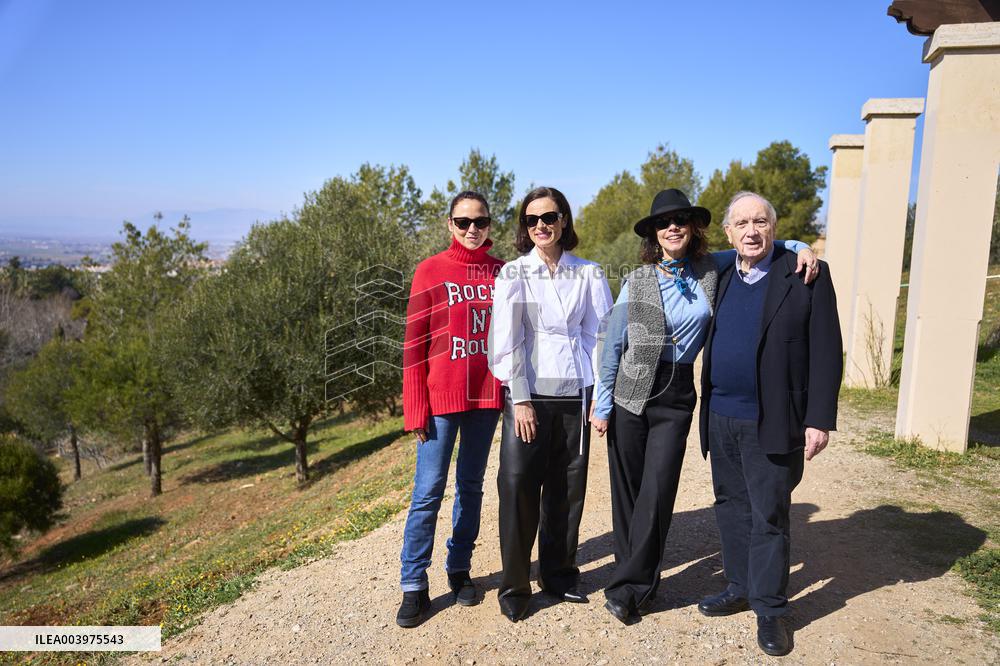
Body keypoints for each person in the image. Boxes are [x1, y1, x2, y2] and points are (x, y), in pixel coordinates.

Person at [590, 189, 818, 625]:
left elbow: (759, 242)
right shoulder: (637, 280)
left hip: (676, 394)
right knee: (628, 495)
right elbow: (613, 344)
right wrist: (602, 406)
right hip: (630, 391)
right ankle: (637, 584)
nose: (672, 227)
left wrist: (802, 245)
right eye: (663, 223)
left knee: (657, 492)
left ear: (693, 228)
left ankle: (629, 586)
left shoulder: (712, 267)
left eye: (680, 219)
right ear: (654, 235)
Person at [696, 191, 842, 657]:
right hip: (721, 415)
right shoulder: (720, 272)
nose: (751, 231)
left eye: (760, 222)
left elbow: (827, 351)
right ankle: (739, 585)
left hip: (774, 419)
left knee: (769, 515)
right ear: (728, 233)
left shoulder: (806, 273)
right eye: (742, 224)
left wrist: (818, 419)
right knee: (730, 505)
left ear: (774, 228)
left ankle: (771, 608)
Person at [487, 186, 613, 622]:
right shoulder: (515, 274)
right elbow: (508, 339)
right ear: (525, 227)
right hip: (529, 395)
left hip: (575, 395)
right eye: (531, 219)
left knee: (566, 491)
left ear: (564, 221)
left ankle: (558, 576)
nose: (540, 225)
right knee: (518, 487)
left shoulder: (589, 273)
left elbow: (599, 336)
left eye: (549, 217)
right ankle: (514, 586)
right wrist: (520, 399)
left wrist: (599, 396)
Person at [396, 191, 506, 628]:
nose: (472, 229)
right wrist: (414, 408)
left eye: (480, 221)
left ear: (489, 225)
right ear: (450, 225)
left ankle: (459, 569)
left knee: (471, 487)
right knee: (427, 492)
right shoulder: (430, 270)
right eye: (463, 222)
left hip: (485, 399)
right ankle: (413, 584)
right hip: (439, 403)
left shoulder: (502, 272)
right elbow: (414, 344)